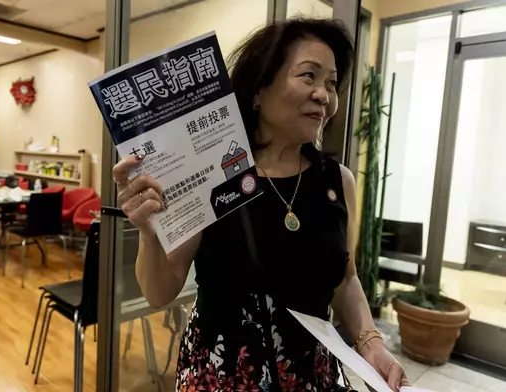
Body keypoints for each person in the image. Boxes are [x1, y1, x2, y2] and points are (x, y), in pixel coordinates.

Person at [113, 18, 409, 392]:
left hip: (310, 377)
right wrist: (149, 233)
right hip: (222, 378)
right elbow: (160, 291)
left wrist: (372, 344)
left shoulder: (338, 182)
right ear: (259, 88)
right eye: (309, 76)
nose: (324, 95)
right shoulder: (213, 175)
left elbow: (346, 278)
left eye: (332, 83)